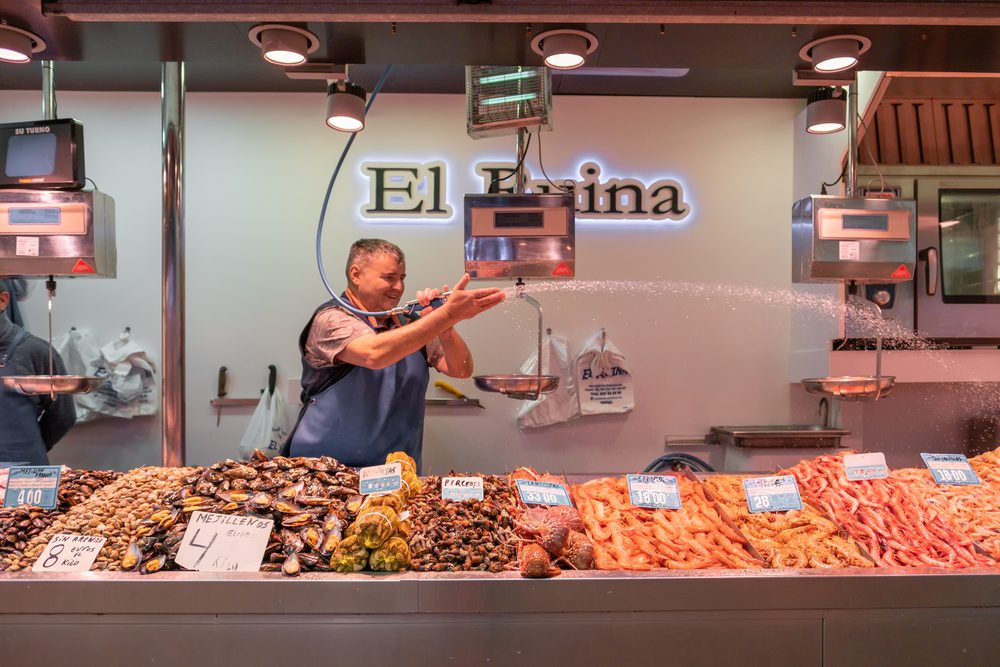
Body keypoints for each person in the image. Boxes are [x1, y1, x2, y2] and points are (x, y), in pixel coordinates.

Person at [286, 239, 505, 470]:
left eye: (402, 278)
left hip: (395, 475)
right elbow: (374, 354)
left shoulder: (409, 323)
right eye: (389, 278)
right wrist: (447, 315)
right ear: (356, 274)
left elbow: (461, 369)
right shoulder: (331, 319)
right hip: (325, 475)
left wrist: (445, 326)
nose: (399, 287)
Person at [0, 280, 76, 465]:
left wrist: (27, 446)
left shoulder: (36, 351)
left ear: (2, 300)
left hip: (24, 474)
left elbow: (63, 415)